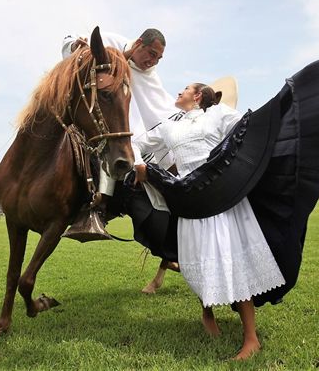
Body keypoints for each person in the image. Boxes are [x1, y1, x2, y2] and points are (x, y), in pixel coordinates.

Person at [132, 83, 286, 360]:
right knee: (197, 262)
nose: (178, 92)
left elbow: (248, 130)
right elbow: (137, 142)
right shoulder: (169, 126)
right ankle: (207, 311)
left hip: (221, 198)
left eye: (185, 89)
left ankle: (251, 338)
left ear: (198, 95)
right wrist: (138, 165)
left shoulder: (218, 115)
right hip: (190, 202)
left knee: (233, 261)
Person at [61, 29, 184, 252]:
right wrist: (73, 47)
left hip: (130, 131)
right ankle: (93, 207)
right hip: (101, 118)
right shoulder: (109, 42)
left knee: (119, 143)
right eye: (151, 53)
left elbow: (158, 107)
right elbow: (72, 42)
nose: (153, 61)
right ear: (138, 43)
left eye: (158, 58)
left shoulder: (150, 76)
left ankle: (105, 207)